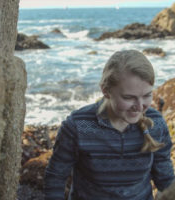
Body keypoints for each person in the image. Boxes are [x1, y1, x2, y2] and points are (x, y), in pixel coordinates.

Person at [44, 50, 174, 200]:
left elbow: (165, 179)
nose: (139, 106)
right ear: (106, 91)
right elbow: (55, 178)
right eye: (128, 97)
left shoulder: (155, 123)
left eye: (147, 95)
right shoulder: (78, 126)